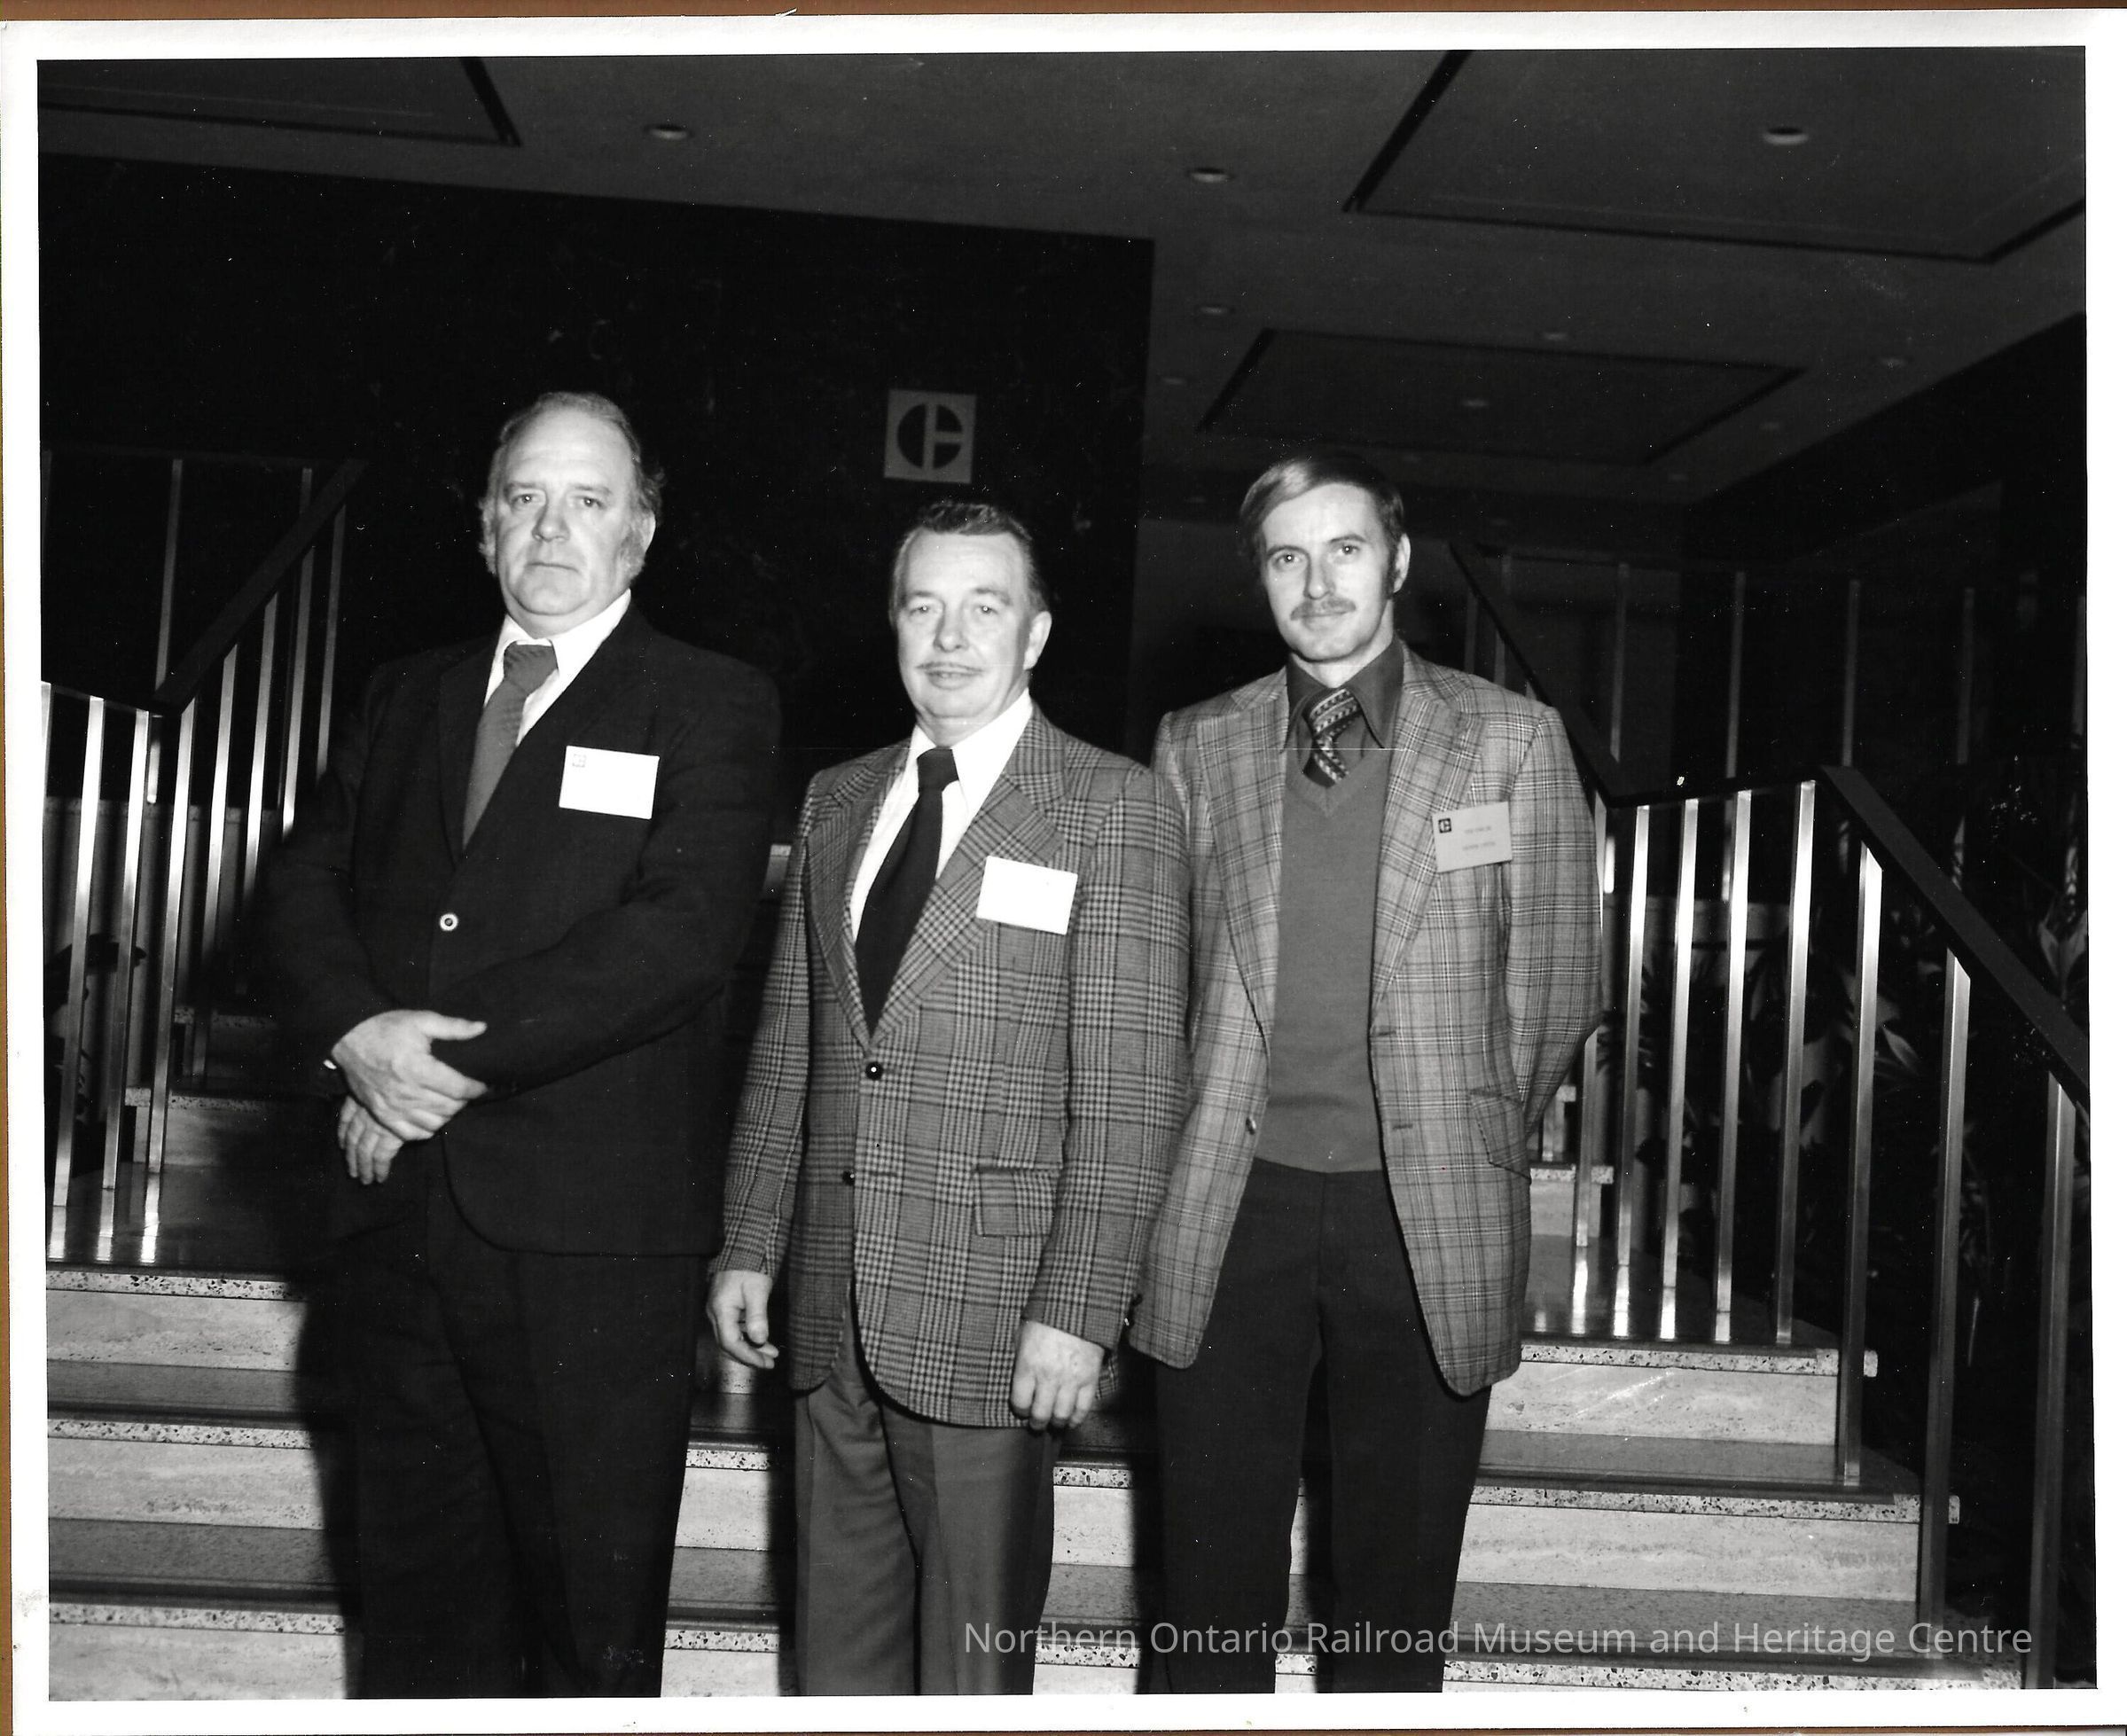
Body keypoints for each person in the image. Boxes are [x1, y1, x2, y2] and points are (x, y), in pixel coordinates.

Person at [262, 390, 778, 1696]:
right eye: (526, 499)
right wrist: (355, 1034)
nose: (552, 529)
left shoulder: (707, 701)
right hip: (399, 1223)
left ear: (640, 533)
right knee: (419, 1626)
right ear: (487, 526)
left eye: (588, 501)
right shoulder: (407, 694)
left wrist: (423, 1065)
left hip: (589, 1248)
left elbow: (677, 940)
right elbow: (305, 886)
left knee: (586, 1638)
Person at [1131, 450, 1599, 1693]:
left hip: (1424, 1210)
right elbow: (1161, 979)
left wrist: (1456, 1122)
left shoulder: (1508, 738)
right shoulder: (1196, 743)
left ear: (1395, 563)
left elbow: (1557, 983)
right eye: (1286, 556)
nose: (1318, 581)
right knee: (1208, 1587)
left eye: (1344, 549)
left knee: (1395, 1599)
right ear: (1260, 579)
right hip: (1231, 1206)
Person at [708, 497, 1187, 1694]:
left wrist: (1079, 1307)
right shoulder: (836, 799)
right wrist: (751, 1239)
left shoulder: (1110, 805)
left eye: (985, 608)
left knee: (974, 1678)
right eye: (924, 607)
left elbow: (1131, 1093)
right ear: (894, 623)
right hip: (829, 1305)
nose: (951, 637)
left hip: (996, 1314)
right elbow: (790, 1044)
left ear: (1036, 633)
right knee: (837, 1671)